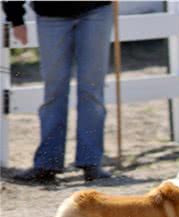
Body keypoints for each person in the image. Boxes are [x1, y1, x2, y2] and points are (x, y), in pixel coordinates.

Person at [3, 1, 113, 183]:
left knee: (92, 89)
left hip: (96, 10)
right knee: (54, 91)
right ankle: (48, 163)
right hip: (51, 15)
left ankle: (91, 162)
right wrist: (15, 16)